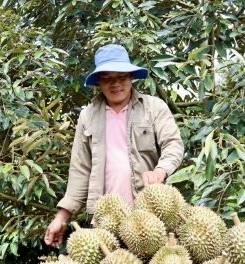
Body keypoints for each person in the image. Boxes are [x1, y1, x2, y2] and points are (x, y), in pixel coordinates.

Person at [44, 44, 184, 247]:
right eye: (107, 78)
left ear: (131, 77)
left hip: (150, 217)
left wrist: (161, 170)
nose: (115, 84)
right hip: (105, 220)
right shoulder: (87, 116)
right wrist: (62, 217)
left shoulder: (154, 108)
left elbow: (173, 144)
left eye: (121, 77)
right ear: (98, 81)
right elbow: (80, 170)